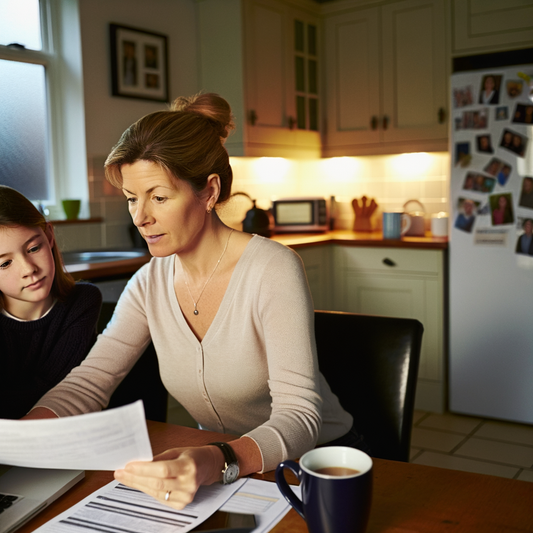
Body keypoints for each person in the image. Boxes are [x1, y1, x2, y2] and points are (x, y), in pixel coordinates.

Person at [26, 93, 361, 510]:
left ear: (208, 192)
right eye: (132, 197)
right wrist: (19, 437)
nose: (140, 216)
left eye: (159, 197)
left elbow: (300, 417)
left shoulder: (272, 268)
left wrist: (217, 459)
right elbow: (91, 380)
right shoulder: (149, 283)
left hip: (321, 464)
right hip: (227, 465)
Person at [0, 186, 102, 419]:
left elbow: (54, 390)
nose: (29, 269)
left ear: (49, 236)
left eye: (34, 248)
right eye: (5, 263)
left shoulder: (82, 303)